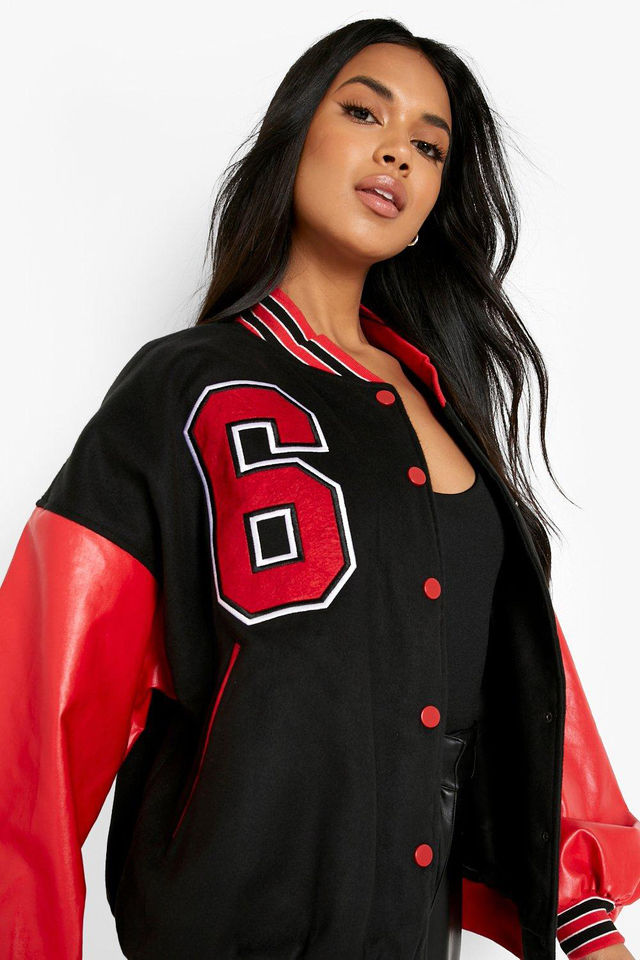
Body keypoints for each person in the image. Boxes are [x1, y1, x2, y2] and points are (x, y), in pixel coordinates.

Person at [1, 17, 638, 960]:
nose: (398, 153)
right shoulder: (181, 386)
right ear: (297, 130)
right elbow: (36, 712)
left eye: (429, 146)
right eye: (364, 113)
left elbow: (520, 676)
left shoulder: (446, 408)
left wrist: (586, 921)